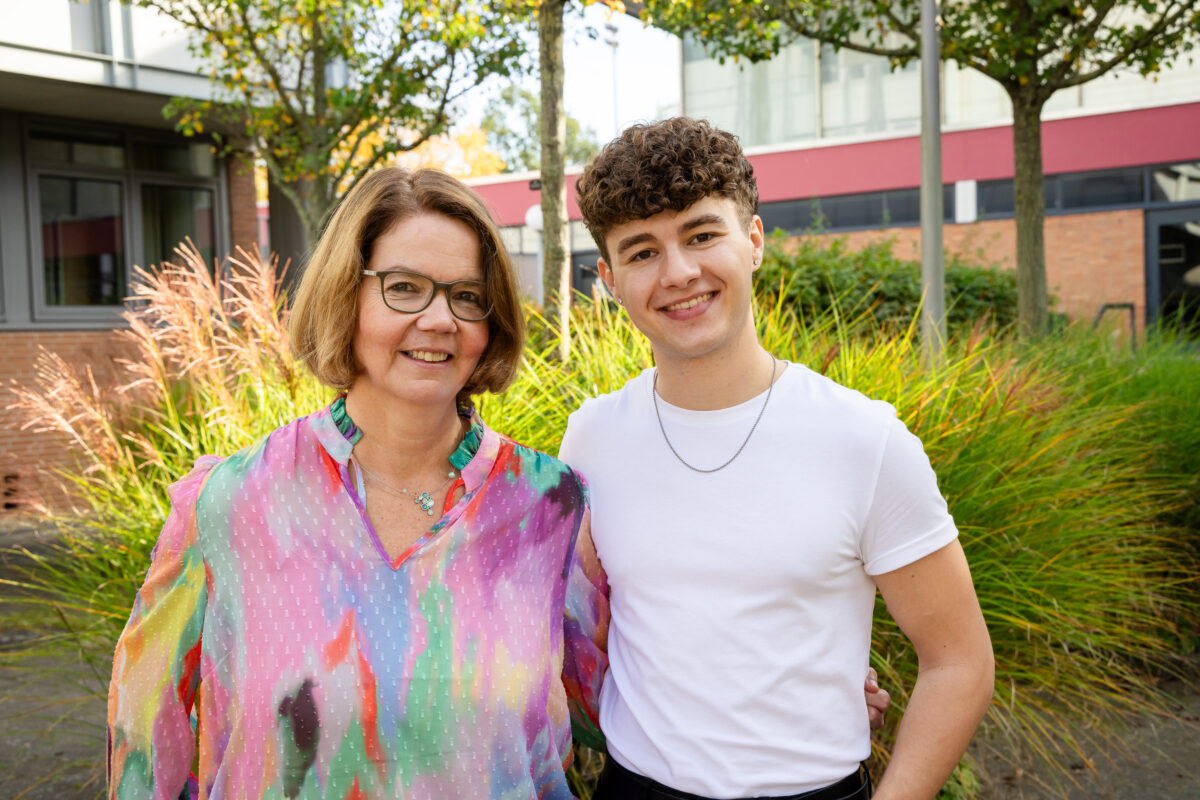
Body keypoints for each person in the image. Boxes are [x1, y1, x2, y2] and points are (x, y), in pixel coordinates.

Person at [106, 167, 610, 799]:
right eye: (404, 287)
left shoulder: (550, 507)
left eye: (467, 295)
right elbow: (146, 739)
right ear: (347, 295)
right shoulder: (231, 503)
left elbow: (615, 710)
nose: (438, 319)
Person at [561, 118, 995, 800]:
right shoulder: (591, 437)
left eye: (703, 235)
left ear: (754, 241)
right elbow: (594, 628)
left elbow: (960, 662)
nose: (679, 273)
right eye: (642, 252)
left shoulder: (864, 440)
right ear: (610, 279)